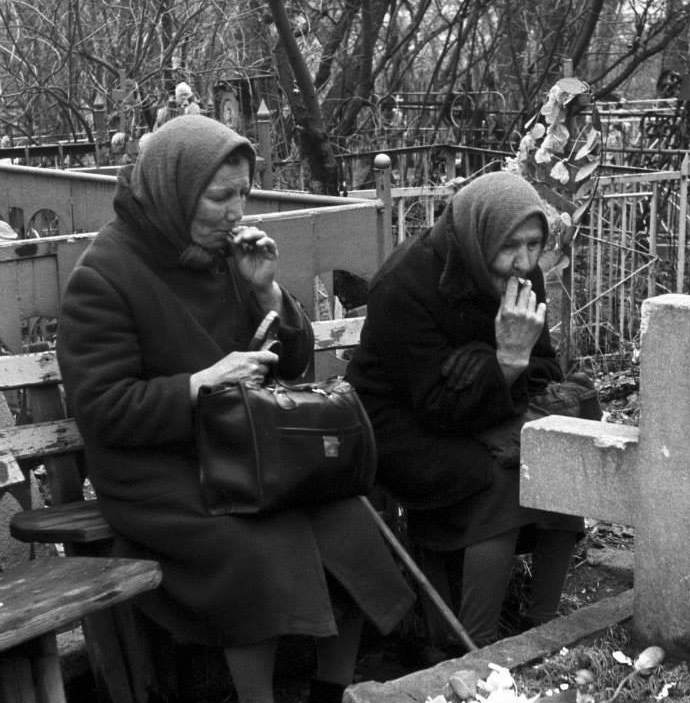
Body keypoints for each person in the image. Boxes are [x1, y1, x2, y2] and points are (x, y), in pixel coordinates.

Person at [56, 114, 414, 703]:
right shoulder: (105, 275)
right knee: (258, 546)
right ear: (174, 189)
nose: (235, 210)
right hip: (161, 471)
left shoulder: (225, 255)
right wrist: (201, 383)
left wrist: (266, 294)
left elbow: (290, 365)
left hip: (249, 450)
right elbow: (102, 409)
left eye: (243, 193)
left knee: (348, 518)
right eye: (220, 195)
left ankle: (330, 691)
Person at [345, 171, 594, 650]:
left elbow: (543, 369)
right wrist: (501, 364)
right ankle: (474, 646)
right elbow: (434, 405)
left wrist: (502, 366)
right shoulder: (406, 284)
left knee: (560, 457)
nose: (523, 263)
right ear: (479, 237)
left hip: (482, 409)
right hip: (398, 426)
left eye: (534, 244)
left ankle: (543, 629)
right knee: (495, 479)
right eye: (510, 246)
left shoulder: (524, 276)